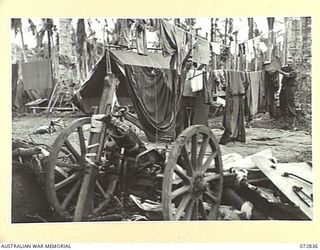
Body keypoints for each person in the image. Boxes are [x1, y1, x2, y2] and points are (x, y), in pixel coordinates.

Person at [175, 56, 197, 136]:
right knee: (183, 118)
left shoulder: (195, 72)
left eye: (191, 61)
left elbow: (202, 67)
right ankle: (183, 134)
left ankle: (191, 135)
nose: (190, 63)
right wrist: (188, 52)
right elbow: (182, 62)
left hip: (193, 98)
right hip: (183, 98)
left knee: (192, 118)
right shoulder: (182, 72)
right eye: (188, 61)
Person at [278, 57, 298, 130]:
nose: (289, 64)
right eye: (288, 62)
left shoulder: (294, 71)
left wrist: (280, 71)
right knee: (282, 104)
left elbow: (287, 75)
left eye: (290, 62)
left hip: (290, 88)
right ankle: (285, 124)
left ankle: (292, 124)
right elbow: (279, 67)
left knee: (290, 105)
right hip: (284, 88)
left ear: (293, 63)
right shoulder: (286, 68)